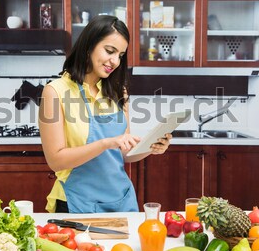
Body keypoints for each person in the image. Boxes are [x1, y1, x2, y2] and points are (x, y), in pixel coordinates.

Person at [38, 15, 172, 213]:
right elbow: (56, 160)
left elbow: (125, 153)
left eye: (120, 55)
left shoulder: (118, 92)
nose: (115, 61)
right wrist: (106, 143)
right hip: (76, 203)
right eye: (110, 51)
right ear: (89, 46)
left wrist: (151, 147)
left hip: (121, 201)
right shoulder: (55, 91)